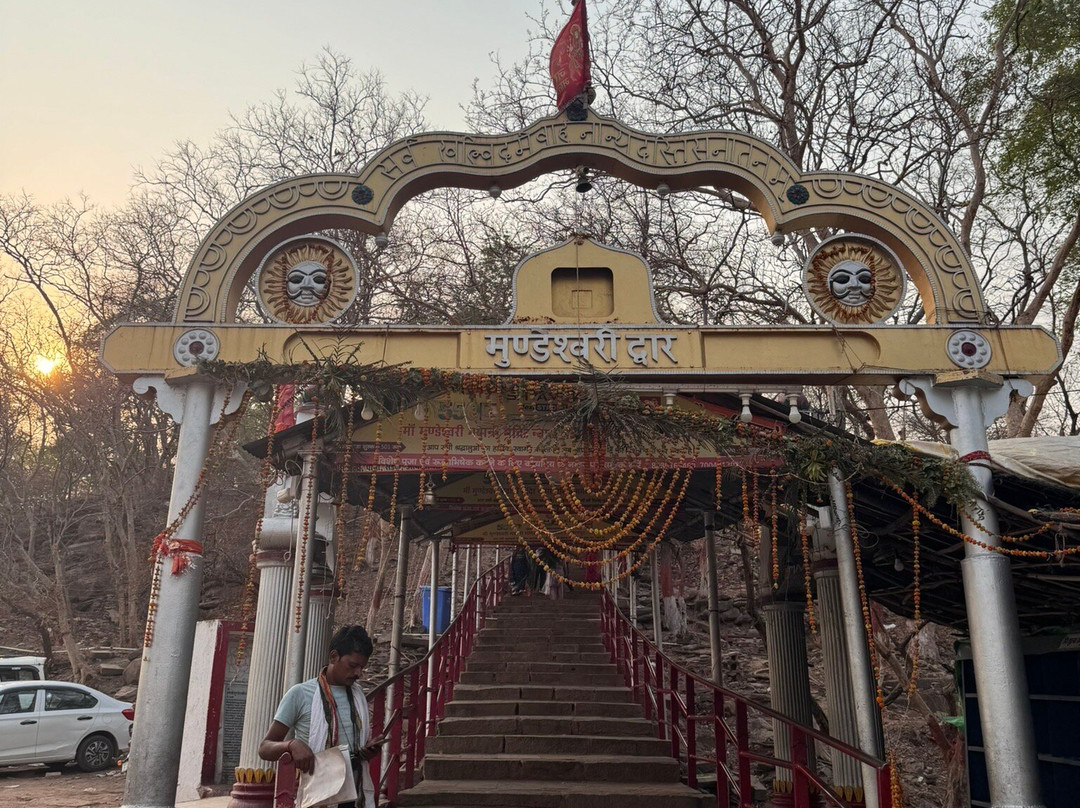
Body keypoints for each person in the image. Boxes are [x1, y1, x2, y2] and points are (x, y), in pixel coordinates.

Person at [259, 625, 382, 808]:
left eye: (361, 667)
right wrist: (292, 745)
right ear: (334, 657)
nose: (358, 673)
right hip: (318, 796)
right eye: (353, 666)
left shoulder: (358, 696)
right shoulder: (300, 694)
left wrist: (364, 751)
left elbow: (350, 748)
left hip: (355, 795)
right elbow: (264, 748)